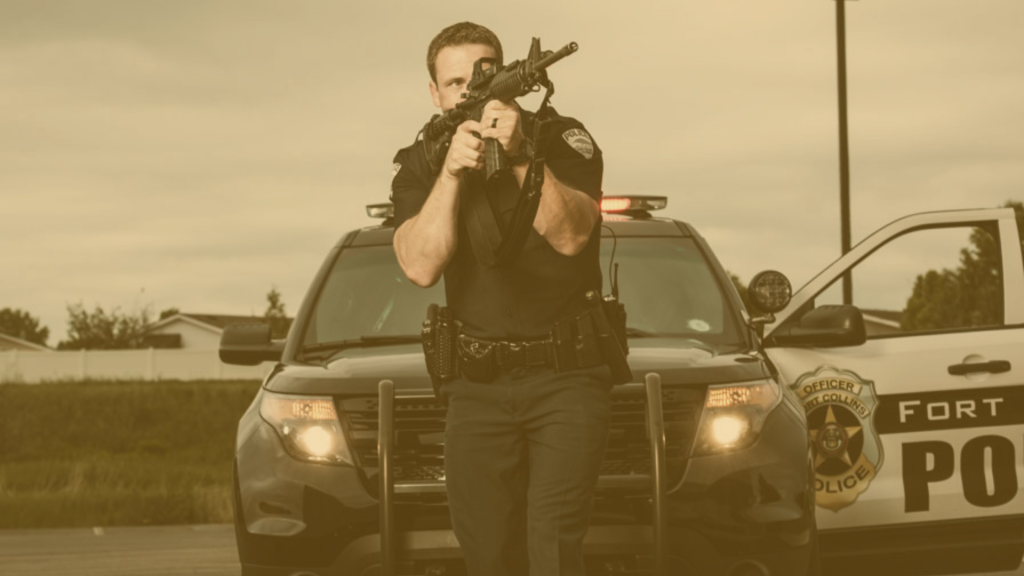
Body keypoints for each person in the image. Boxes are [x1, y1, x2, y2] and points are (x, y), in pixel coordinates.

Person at [391, 21, 612, 576]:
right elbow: (419, 265)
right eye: (455, 80)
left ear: (506, 73)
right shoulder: (421, 161)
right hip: (476, 388)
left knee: (554, 546)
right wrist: (450, 174)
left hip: (566, 378)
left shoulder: (560, 139)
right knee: (487, 553)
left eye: (483, 72)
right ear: (436, 93)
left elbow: (573, 234)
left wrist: (517, 157)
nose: (470, 88)